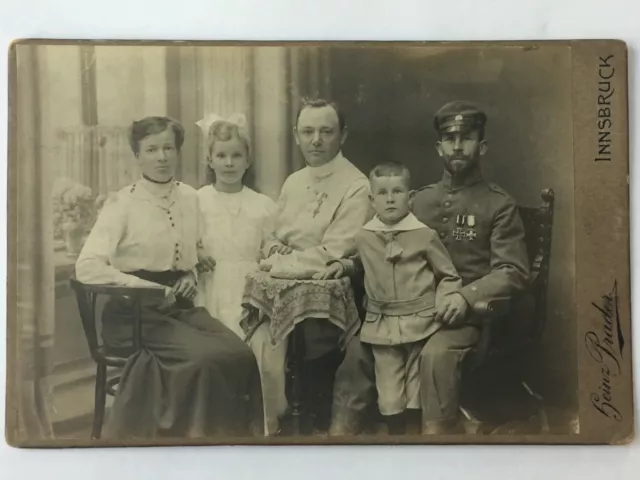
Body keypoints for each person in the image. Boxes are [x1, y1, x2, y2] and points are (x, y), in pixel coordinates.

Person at [329, 101, 530, 435]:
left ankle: (432, 445)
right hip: (406, 314)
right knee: (358, 351)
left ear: (482, 146)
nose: (457, 146)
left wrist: (466, 297)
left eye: (466, 139)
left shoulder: (499, 204)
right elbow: (378, 247)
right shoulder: (417, 201)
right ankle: (337, 443)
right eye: (450, 139)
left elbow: (513, 269)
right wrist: (349, 266)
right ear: (439, 147)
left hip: (464, 318)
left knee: (435, 356)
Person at [75, 116, 264, 439]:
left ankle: (233, 445)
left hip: (177, 308)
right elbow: (86, 265)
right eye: (151, 149)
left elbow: (196, 251)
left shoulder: (191, 198)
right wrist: (143, 287)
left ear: (178, 152)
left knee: (239, 353)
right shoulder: (122, 203)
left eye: (168, 148)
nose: (161, 157)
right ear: (138, 156)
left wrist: (190, 272)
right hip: (132, 313)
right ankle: (193, 442)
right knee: (204, 359)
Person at [249, 98, 371, 435]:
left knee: (281, 346)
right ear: (297, 135)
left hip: (327, 296)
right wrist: (275, 250)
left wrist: (276, 259)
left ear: (342, 135)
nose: (316, 140)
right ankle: (263, 424)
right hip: (284, 285)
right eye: (308, 131)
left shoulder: (357, 186)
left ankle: (296, 420)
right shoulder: (293, 181)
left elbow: (332, 252)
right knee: (248, 339)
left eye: (326, 131)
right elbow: (271, 235)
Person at [317, 162, 462, 434]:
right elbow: (359, 261)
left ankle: (414, 440)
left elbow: (448, 275)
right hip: (381, 326)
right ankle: (395, 439)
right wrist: (344, 266)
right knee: (389, 393)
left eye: (397, 192)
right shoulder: (364, 236)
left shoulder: (424, 235)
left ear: (410, 197)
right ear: (372, 200)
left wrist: (446, 298)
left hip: (422, 323)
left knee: (417, 390)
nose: (390, 198)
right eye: (382, 193)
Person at [194, 113, 277, 340]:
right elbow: (185, 241)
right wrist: (197, 251)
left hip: (250, 288)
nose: (229, 163)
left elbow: (269, 243)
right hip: (211, 286)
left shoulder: (263, 205)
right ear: (210, 160)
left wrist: (274, 249)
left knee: (251, 344)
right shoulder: (197, 200)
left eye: (236, 155)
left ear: (248, 160)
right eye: (221, 155)